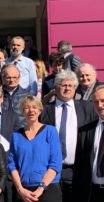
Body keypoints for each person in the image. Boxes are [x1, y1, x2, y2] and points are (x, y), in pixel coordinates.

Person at [40, 70, 98, 202]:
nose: (67, 88)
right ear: (55, 87)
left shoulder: (88, 109)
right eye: (63, 85)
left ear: (75, 88)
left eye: (70, 85)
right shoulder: (44, 111)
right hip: (51, 171)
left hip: (79, 170)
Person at [8, 95, 62, 202]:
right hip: (24, 191)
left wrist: (40, 189)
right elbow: (12, 165)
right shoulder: (16, 135)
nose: (31, 110)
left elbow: (55, 163)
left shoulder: (50, 131)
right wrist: (20, 189)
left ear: (40, 110)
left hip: (48, 189)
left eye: (34, 107)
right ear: (23, 111)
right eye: (27, 107)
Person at [73, 85, 104, 202]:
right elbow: (80, 165)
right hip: (92, 193)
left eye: (103, 101)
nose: (100, 105)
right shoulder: (85, 130)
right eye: (96, 102)